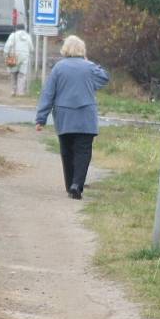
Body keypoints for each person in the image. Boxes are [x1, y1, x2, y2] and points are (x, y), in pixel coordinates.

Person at [35, 35, 109, 199]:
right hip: (85, 118)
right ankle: (77, 184)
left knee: (67, 152)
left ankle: (70, 186)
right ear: (82, 50)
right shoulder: (89, 67)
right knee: (83, 152)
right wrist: (89, 62)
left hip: (64, 117)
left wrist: (41, 118)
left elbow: (48, 94)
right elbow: (104, 77)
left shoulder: (58, 68)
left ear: (65, 50)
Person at [3, 26, 34, 96]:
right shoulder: (28, 36)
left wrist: (5, 55)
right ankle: (20, 92)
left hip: (13, 56)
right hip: (25, 57)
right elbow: (31, 48)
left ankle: (13, 91)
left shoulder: (13, 35)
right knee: (22, 75)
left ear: (16, 29)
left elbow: (7, 46)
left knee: (13, 74)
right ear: (24, 29)